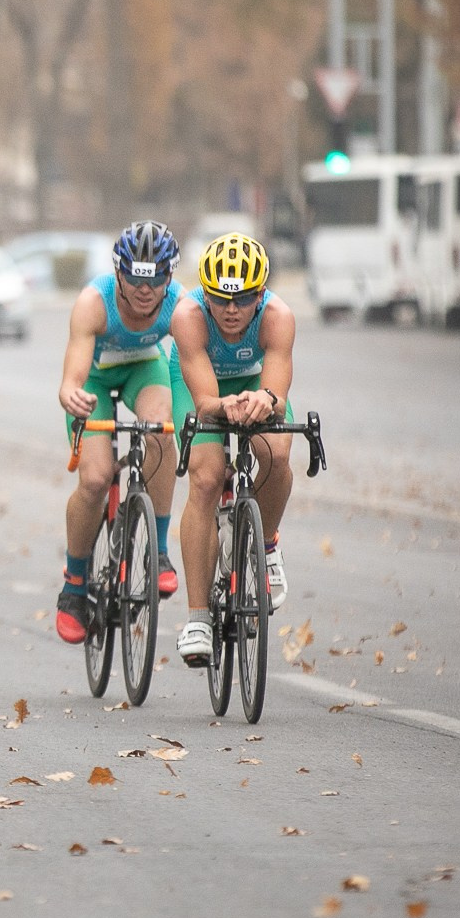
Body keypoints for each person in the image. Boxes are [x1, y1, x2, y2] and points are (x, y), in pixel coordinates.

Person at [169, 232, 298, 667]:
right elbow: (205, 402)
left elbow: (277, 388)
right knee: (206, 478)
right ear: (204, 294)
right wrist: (223, 405)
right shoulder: (188, 316)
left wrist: (267, 399)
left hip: (252, 381)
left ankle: (265, 544)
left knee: (277, 454)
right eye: (219, 300)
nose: (230, 310)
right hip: (199, 384)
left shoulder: (278, 316)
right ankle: (198, 618)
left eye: (242, 299)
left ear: (260, 294)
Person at [53, 221, 183, 645]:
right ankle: (74, 585)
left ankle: (159, 550)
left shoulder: (179, 305)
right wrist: (71, 395)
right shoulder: (94, 302)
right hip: (94, 380)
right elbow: (72, 376)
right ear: (119, 274)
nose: (145, 291)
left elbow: (195, 362)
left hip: (144, 369)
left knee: (162, 433)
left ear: (170, 276)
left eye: (156, 279)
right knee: (94, 478)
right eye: (134, 279)